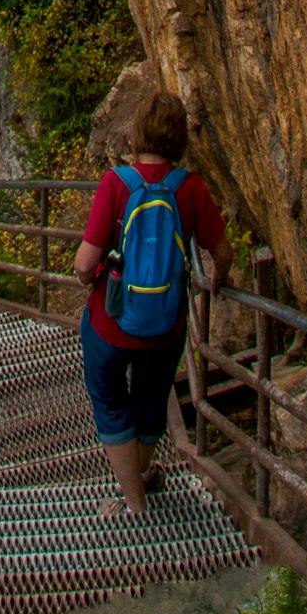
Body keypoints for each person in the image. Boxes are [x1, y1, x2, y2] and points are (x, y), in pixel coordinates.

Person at [70, 88, 229, 515]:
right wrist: (218, 283)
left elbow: (85, 264)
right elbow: (222, 252)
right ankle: (140, 482)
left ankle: (134, 503)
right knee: (151, 401)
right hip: (166, 327)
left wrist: (87, 275)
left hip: (111, 322)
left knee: (109, 400)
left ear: (137, 132)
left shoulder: (116, 185)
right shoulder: (190, 188)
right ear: (178, 138)